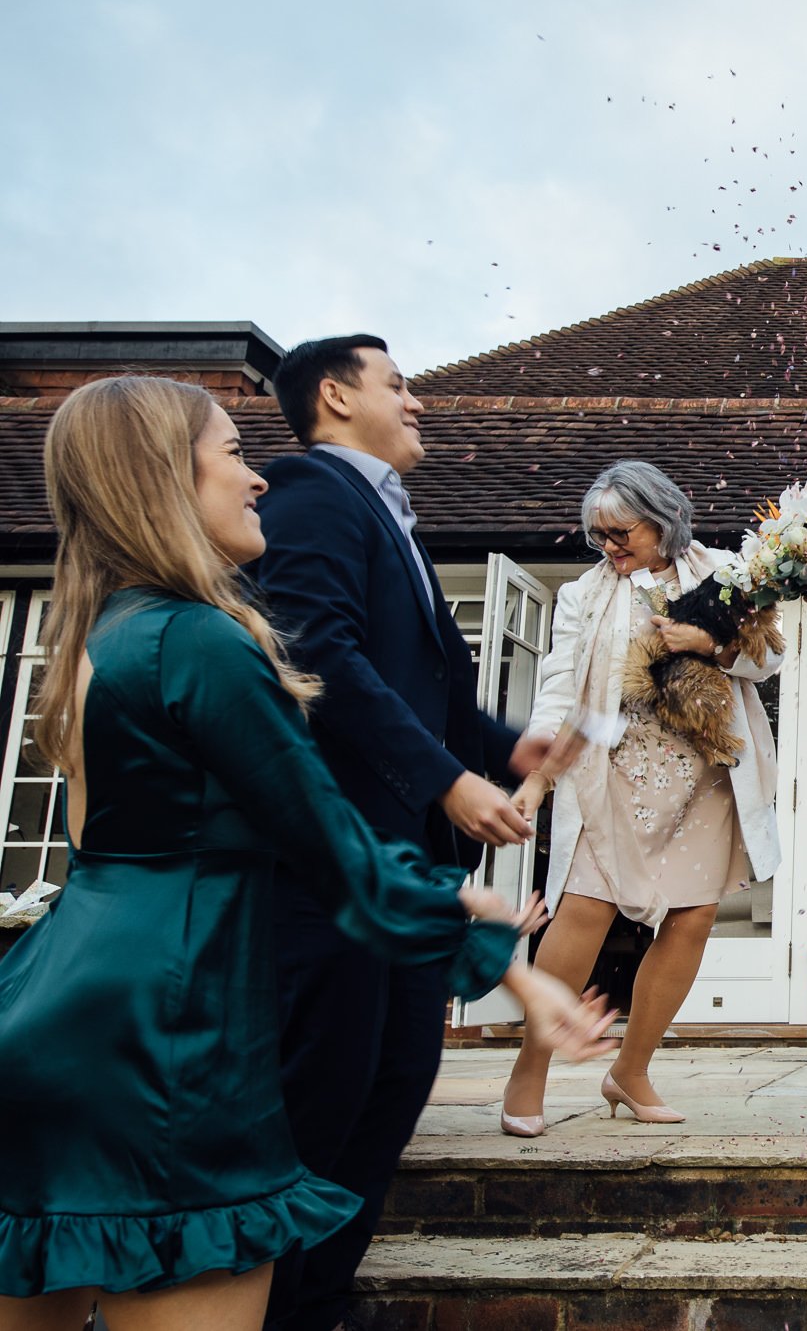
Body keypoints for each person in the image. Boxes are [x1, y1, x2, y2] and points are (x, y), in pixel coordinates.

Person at [0, 376, 611, 1330]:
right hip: (171, 1046)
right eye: (234, 455)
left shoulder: (99, 635)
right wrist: (517, 976)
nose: (256, 481)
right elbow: (336, 851)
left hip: (50, 1016)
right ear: (169, 478)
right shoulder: (198, 640)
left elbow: (117, 848)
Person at [249, 335, 551, 1331]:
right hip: (335, 872)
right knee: (324, 1104)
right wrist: (448, 780)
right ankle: (279, 1309)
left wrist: (515, 747)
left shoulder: (388, 519)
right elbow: (314, 653)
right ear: (335, 396)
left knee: (391, 1088)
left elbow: (417, 693)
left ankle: (322, 1305)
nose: (416, 402)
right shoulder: (308, 495)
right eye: (397, 384)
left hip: (405, 880)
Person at [501, 461, 784, 1131]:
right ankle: (530, 1068)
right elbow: (560, 687)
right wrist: (537, 775)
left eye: (620, 532)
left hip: (702, 775)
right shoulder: (581, 595)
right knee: (582, 913)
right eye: (597, 534)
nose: (609, 546)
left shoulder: (721, 571)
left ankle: (631, 1068)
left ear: (662, 519)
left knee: (690, 917)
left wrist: (711, 645)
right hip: (612, 772)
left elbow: (768, 658)